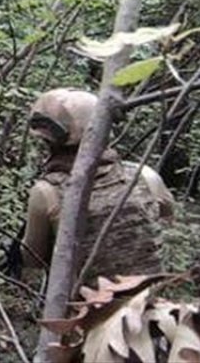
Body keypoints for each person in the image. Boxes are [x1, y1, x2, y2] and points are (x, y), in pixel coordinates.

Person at [21, 88, 175, 282]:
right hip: (152, 302)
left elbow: (32, 259)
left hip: (89, 309)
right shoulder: (145, 175)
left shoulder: (46, 192)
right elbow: (166, 222)